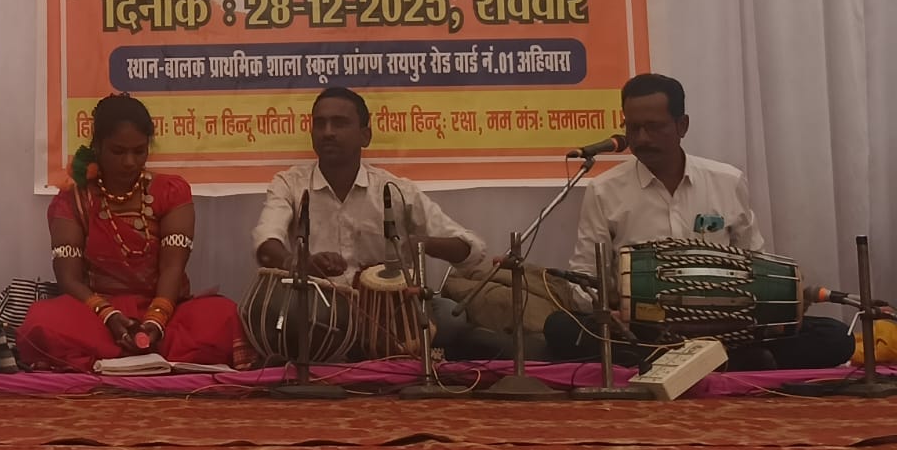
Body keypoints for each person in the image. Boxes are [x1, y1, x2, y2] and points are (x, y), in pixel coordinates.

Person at [543, 73, 853, 369]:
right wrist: (612, 310)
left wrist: (770, 303)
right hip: (643, 330)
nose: (641, 138)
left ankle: (682, 363)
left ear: (683, 125)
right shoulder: (604, 190)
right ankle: (725, 364)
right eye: (633, 128)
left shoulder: (726, 181)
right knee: (560, 329)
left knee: (835, 336)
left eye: (654, 127)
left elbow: (755, 263)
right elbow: (582, 279)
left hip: (726, 328)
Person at [253, 88, 491, 356]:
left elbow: (471, 250)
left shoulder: (395, 190)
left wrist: (422, 244)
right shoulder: (290, 184)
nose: (328, 132)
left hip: (391, 313)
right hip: (320, 311)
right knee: (279, 319)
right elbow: (266, 243)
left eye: (339, 123)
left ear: (365, 135)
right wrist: (298, 263)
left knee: (450, 317)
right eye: (320, 123)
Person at [16, 94, 246, 370]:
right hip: (97, 315)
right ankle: (145, 354)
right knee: (42, 322)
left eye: (139, 151)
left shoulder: (170, 192)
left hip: (166, 311)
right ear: (97, 146)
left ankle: (124, 353)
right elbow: (68, 279)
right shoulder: (73, 201)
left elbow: (173, 268)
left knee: (224, 315)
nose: (129, 162)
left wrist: (156, 320)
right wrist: (109, 315)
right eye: (118, 151)